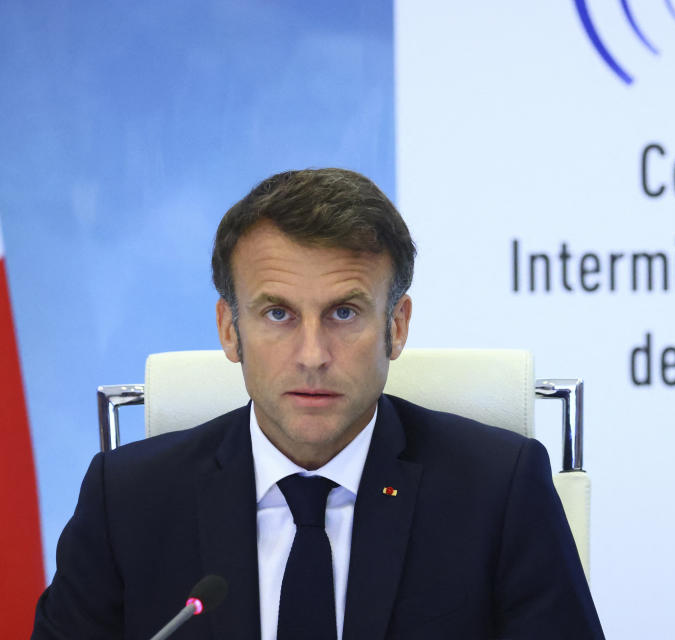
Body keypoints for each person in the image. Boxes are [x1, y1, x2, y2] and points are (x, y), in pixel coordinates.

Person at [32, 168, 604, 639]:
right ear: (230, 330)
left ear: (396, 327)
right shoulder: (130, 502)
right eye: (277, 314)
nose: (312, 355)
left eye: (344, 313)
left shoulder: (497, 490)